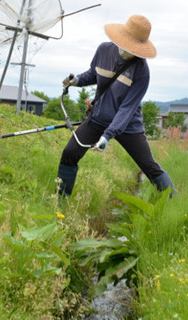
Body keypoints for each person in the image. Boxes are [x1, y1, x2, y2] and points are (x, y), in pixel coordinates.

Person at [58, 15, 176, 198]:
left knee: (149, 166)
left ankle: (175, 204)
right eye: (124, 44)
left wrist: (108, 136)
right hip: (98, 118)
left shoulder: (142, 71)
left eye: (132, 48)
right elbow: (94, 74)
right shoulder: (103, 50)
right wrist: (77, 80)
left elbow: (127, 109)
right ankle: (60, 200)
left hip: (128, 126)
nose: (126, 51)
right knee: (70, 152)